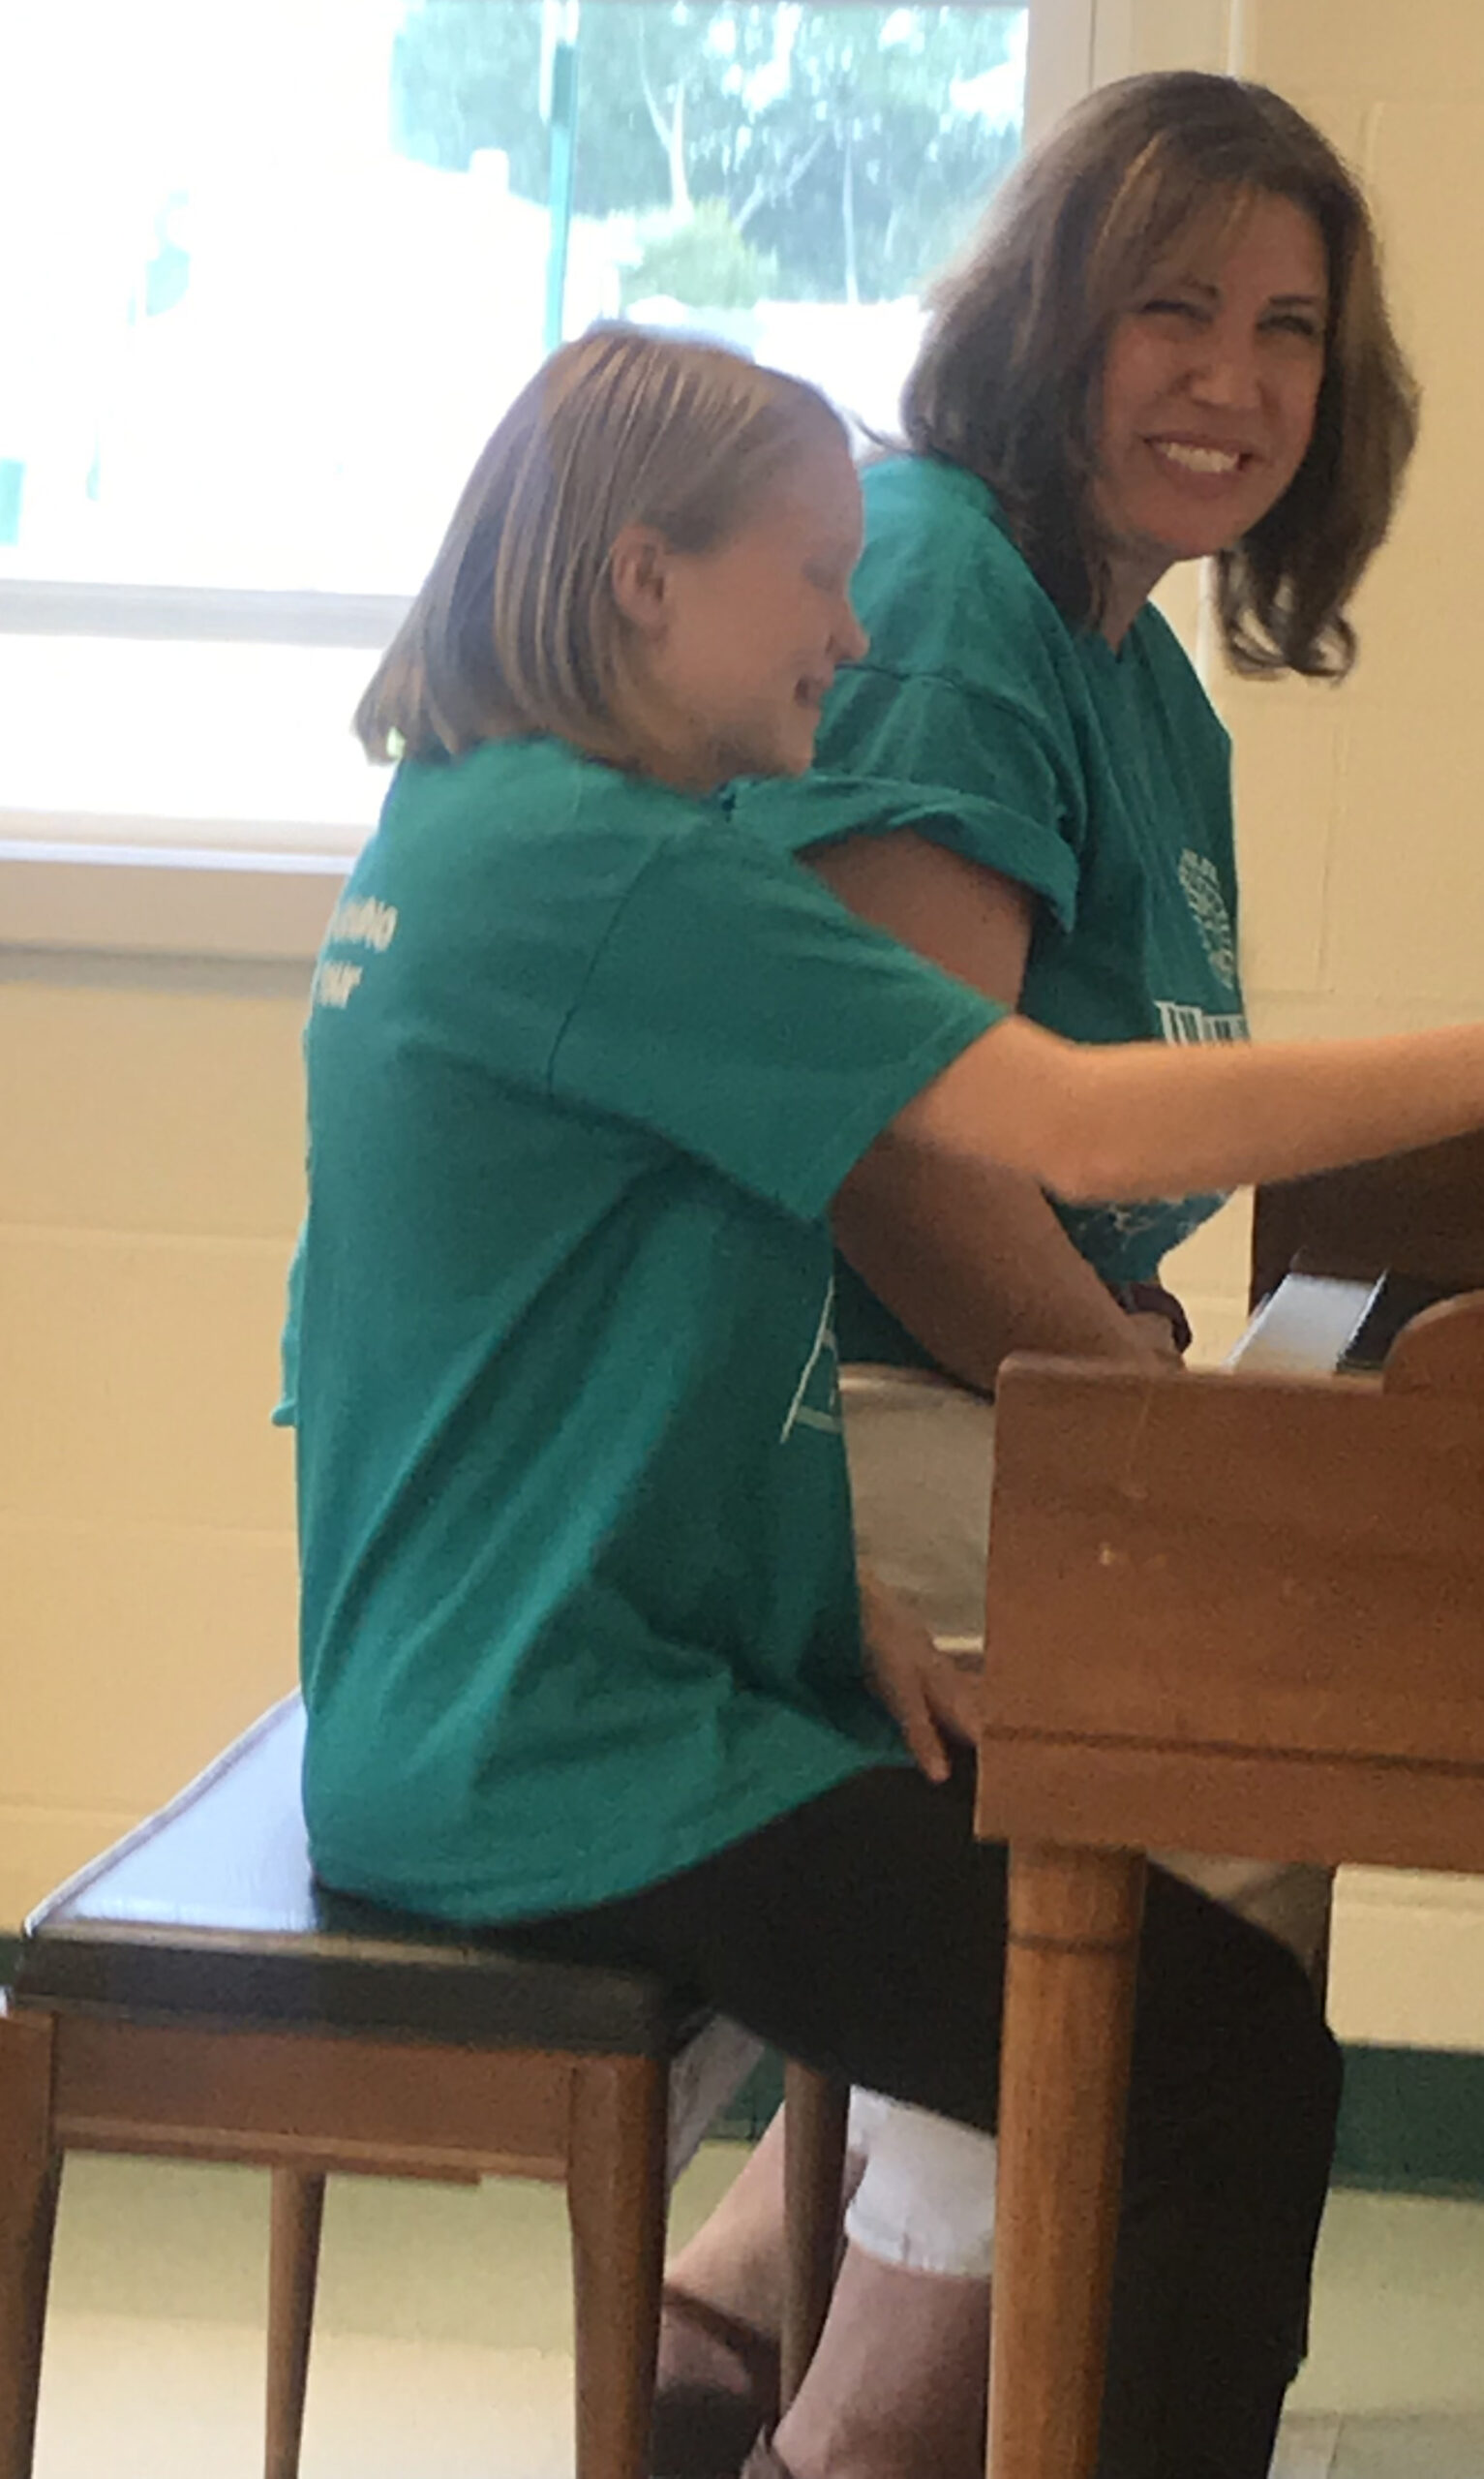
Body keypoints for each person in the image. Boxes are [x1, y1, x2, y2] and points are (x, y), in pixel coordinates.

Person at [283, 321, 1484, 2479]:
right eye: (819, 578)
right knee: (1209, 2060)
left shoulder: (476, 828)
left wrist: (825, 1586)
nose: (855, 631)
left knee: (1149, 1970)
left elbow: (492, 1337)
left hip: (513, 1708)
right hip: (557, 1762)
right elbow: (1074, 1121)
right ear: (643, 577)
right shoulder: (619, 872)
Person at [653, 70, 1423, 2479]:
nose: (1232, 377)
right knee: (1208, 1733)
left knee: (1254, 1656)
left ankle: (730, 2322)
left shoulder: (1138, 673)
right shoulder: (947, 587)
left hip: (956, 1399)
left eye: (1286, 329)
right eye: (1169, 307)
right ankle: (886, 2421)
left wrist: (1143, 1372)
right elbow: (908, 1151)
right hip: (803, 1411)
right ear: (1043, 319)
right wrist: (1142, 1408)